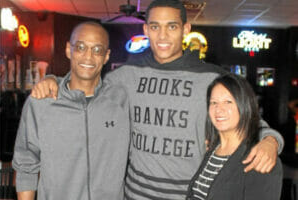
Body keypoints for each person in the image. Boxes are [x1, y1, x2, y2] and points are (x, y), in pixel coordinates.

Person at [30, 1, 284, 199]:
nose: (162, 36)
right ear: (145, 29)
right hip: (133, 195)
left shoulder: (211, 78)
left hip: (189, 195)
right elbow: (85, 87)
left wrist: (271, 140)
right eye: (155, 27)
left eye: (171, 26)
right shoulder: (126, 76)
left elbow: (248, 118)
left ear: (186, 29)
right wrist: (53, 78)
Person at [12, 22, 130, 200]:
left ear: (106, 56)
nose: (88, 57)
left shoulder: (122, 101)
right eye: (81, 47)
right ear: (69, 49)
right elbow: (25, 166)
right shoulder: (41, 103)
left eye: (97, 50)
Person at [186, 73, 283, 200]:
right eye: (214, 102)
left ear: (244, 105)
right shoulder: (212, 149)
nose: (219, 109)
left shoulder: (260, 158)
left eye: (228, 102)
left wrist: (271, 140)